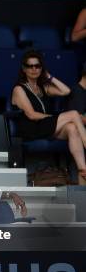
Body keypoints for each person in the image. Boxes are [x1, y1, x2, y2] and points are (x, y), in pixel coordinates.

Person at [11, 50, 86, 185]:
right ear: (24, 69)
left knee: (72, 128)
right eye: (30, 66)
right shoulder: (19, 89)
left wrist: (49, 76)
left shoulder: (43, 87)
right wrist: (54, 117)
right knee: (74, 114)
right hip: (31, 128)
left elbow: (66, 91)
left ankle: (83, 169)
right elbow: (31, 115)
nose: (34, 69)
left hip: (46, 126)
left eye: (38, 66)